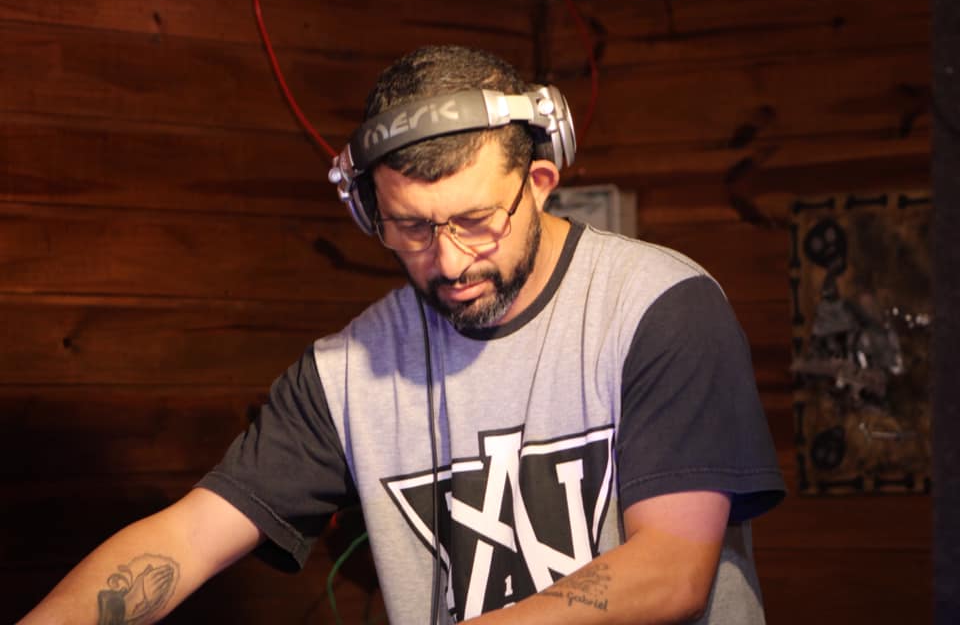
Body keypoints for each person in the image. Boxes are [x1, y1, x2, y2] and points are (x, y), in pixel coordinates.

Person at [20, 44, 785, 625]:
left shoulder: (659, 307)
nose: (447, 261)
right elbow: (186, 539)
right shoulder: (347, 373)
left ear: (540, 183)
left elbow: (673, 568)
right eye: (411, 228)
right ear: (369, 214)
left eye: (476, 221)